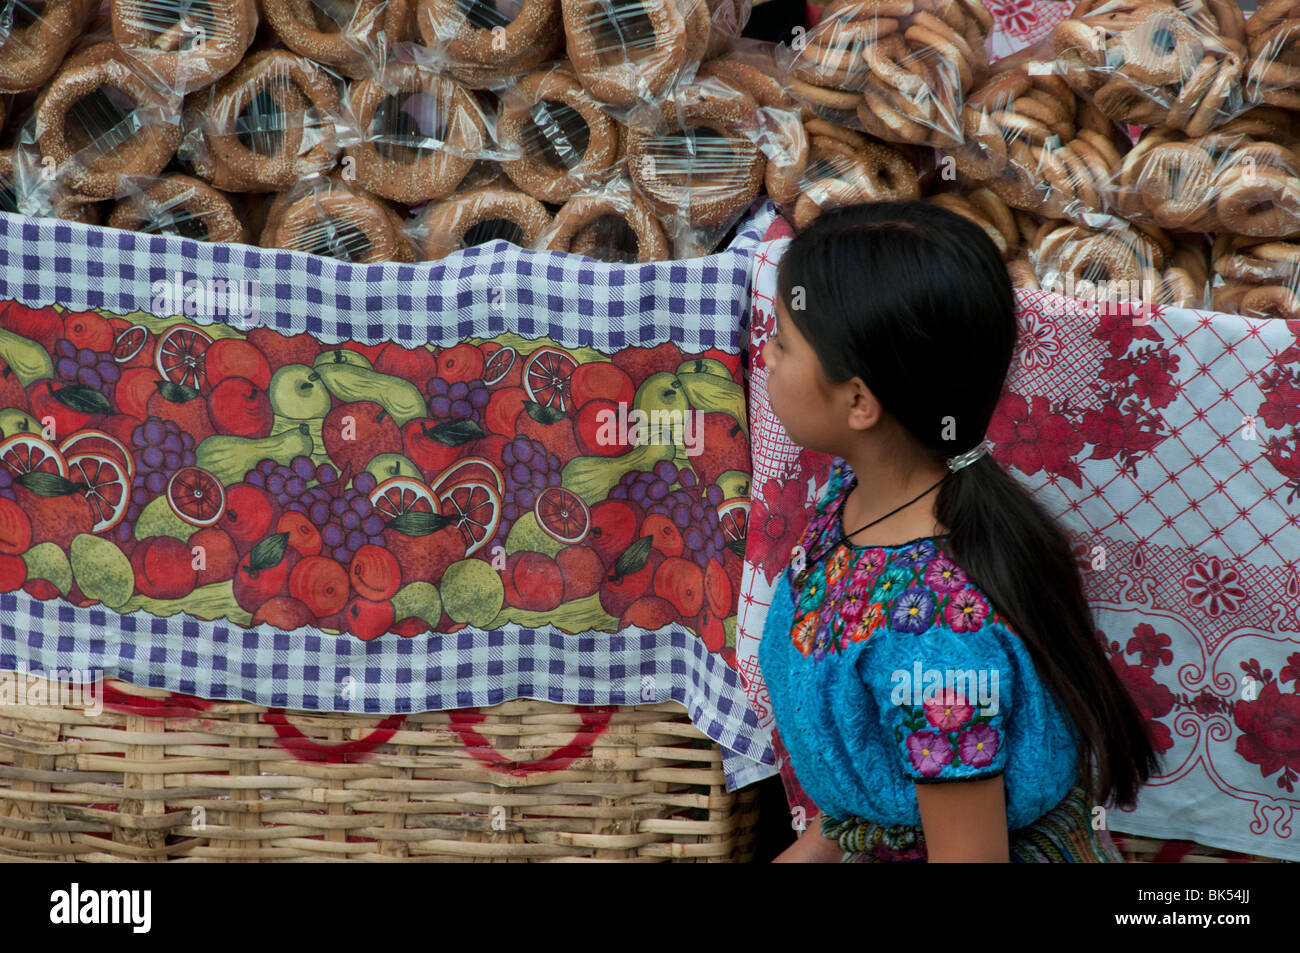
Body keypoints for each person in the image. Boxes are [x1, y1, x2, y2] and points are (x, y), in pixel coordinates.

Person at [757, 201, 1161, 862]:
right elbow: (868, 777)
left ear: (860, 402)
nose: (765, 356)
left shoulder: (936, 642)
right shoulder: (857, 497)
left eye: (781, 340)